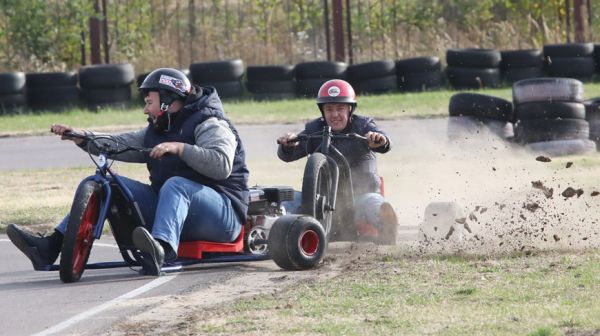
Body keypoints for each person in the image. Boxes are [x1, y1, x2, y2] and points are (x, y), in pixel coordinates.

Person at [7, 67, 249, 276]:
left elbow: (221, 165)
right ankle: (50, 247)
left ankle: (161, 250)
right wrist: (82, 137)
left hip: (224, 217)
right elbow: (120, 143)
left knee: (176, 184)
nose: (145, 110)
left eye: (149, 102)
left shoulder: (211, 123)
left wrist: (180, 148)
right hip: (178, 212)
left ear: (166, 100)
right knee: (108, 185)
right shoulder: (159, 129)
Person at [277, 79, 398, 244]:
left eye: (340, 108)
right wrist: (288, 145)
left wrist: (379, 140)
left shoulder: (363, 126)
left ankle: (387, 228)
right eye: (329, 109)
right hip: (319, 202)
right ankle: (272, 236)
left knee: (373, 202)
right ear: (322, 111)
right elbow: (288, 156)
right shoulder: (314, 130)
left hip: (358, 200)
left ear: (350, 110)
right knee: (284, 199)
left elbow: (384, 142)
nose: (334, 114)